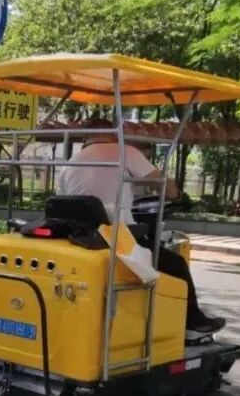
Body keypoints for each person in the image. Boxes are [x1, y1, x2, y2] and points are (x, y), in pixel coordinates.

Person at [57, 124, 225, 337]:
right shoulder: (125, 152)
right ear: (114, 133)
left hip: (79, 237)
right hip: (117, 239)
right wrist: (177, 194)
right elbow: (167, 188)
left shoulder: (70, 163)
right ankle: (194, 321)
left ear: (85, 138)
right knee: (176, 264)